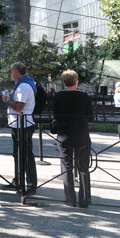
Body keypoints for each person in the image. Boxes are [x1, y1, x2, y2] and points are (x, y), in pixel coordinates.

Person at [51, 70, 94, 208]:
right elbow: (91, 117)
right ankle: (85, 200)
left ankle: (70, 199)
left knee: (66, 167)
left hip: (64, 135)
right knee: (83, 167)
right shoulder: (83, 96)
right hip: (81, 134)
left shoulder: (58, 96)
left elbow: (56, 115)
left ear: (64, 82)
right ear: (76, 81)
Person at [1, 62, 37, 195]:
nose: (10, 74)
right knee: (18, 155)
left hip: (23, 125)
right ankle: (18, 181)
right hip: (19, 125)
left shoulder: (23, 86)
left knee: (26, 156)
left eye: (11, 71)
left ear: (16, 72)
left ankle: (31, 185)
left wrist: (7, 99)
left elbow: (19, 107)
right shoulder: (23, 84)